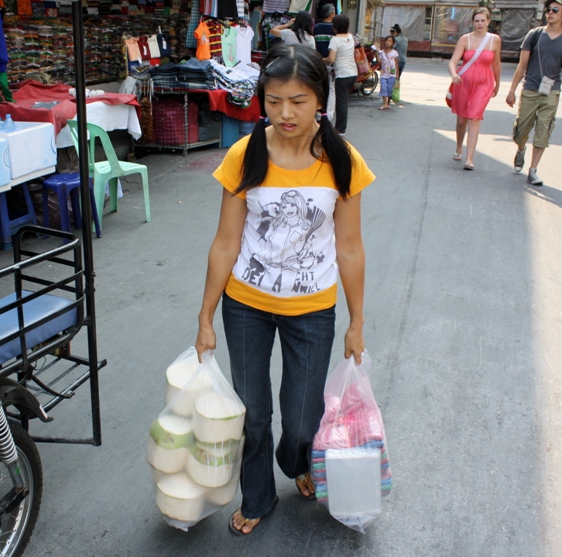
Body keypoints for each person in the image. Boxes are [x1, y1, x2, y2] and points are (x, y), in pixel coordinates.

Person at [195, 43, 375, 536]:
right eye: (273, 101)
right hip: (246, 305)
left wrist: (357, 322)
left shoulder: (342, 161)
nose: (285, 113)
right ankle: (257, 495)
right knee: (253, 412)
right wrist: (205, 318)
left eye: (297, 100)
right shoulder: (245, 154)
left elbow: (351, 248)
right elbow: (225, 242)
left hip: (313, 308)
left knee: (301, 418)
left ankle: (296, 461)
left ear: (320, 98)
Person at [506, 0, 562, 186]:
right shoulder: (534, 35)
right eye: (548, 9)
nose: (550, 12)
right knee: (521, 131)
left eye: (555, 10)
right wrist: (512, 90)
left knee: (543, 131)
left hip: (551, 92)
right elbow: (522, 65)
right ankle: (521, 149)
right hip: (530, 88)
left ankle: (533, 170)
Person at [448, 8, 501, 170]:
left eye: (482, 20)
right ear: (473, 22)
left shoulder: (494, 40)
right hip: (463, 82)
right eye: (476, 20)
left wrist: (497, 84)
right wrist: (453, 75)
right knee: (462, 119)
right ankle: (459, 147)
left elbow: (496, 64)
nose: (479, 23)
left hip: (484, 83)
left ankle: (469, 158)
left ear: (488, 21)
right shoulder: (465, 39)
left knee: (474, 118)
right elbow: (452, 61)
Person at [324, 14, 357, 136]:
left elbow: (331, 59)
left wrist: (321, 60)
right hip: (353, 73)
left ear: (335, 26)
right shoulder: (351, 37)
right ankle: (340, 126)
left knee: (341, 102)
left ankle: (340, 129)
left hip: (342, 74)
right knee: (344, 101)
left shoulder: (335, 40)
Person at [314, 4, 337, 122]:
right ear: (331, 14)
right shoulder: (334, 28)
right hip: (330, 63)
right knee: (331, 89)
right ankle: (328, 115)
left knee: (319, 88)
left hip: (317, 62)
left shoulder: (316, 27)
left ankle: (318, 113)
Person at [378, 35, 399, 110]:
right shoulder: (382, 52)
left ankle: (388, 102)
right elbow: (379, 62)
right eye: (387, 41)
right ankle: (385, 103)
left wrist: (397, 74)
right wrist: (376, 54)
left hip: (392, 74)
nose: (387, 42)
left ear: (392, 43)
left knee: (390, 89)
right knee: (383, 88)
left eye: (390, 41)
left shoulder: (394, 53)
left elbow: (396, 64)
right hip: (383, 74)